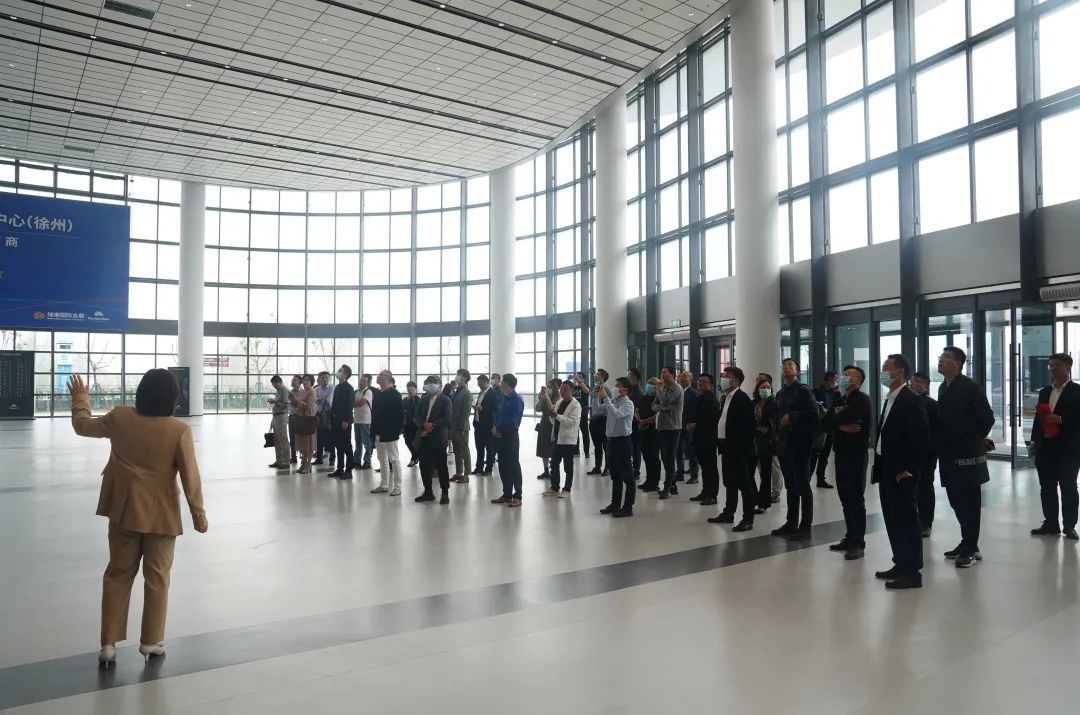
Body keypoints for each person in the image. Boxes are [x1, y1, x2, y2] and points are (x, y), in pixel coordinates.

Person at [68, 370, 207, 667]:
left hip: (123, 511)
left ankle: (108, 644)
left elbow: (82, 426)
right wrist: (198, 514)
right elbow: (190, 476)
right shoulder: (178, 430)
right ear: (173, 399)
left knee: (117, 574)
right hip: (161, 514)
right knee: (157, 577)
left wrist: (80, 400)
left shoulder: (120, 417)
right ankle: (150, 641)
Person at [872, 354, 929, 590]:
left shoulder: (910, 399)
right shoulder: (890, 398)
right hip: (887, 467)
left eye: (887, 368)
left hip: (902, 472)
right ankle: (900, 562)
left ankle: (912, 572)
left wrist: (910, 469)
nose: (883, 372)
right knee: (892, 518)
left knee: (906, 520)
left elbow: (921, 438)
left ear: (900, 372)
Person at [935, 346, 995, 568]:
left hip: (967, 455)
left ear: (958, 364)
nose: (941, 360)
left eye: (946, 357)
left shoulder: (969, 387)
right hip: (948, 453)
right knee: (956, 500)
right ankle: (968, 542)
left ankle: (970, 548)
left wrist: (974, 440)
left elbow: (987, 418)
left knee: (969, 502)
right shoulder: (943, 387)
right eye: (941, 357)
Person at [1029, 353, 1080, 540]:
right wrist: (1034, 440)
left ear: (1068, 367)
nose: (1053, 368)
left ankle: (1069, 526)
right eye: (1051, 365)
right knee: (1047, 486)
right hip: (1046, 446)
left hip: (1069, 448)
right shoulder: (1044, 391)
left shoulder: (1077, 391)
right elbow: (1039, 418)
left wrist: (1061, 419)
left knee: (1068, 486)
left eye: (1057, 365)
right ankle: (1051, 523)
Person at [825, 365, 872, 560]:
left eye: (849, 375)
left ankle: (858, 543)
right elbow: (825, 423)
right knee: (845, 499)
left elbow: (849, 418)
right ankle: (850, 536)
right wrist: (841, 426)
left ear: (859, 380)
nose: (844, 377)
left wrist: (836, 422)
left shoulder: (863, 399)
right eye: (844, 374)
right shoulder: (839, 401)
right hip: (841, 454)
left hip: (856, 455)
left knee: (856, 499)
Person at [772, 359, 820, 540]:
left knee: (802, 485)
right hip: (785, 444)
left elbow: (813, 414)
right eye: (783, 366)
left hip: (800, 444)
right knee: (790, 485)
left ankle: (805, 526)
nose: (785, 368)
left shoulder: (803, 391)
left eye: (790, 365)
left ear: (797, 371)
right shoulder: (781, 393)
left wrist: (792, 417)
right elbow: (777, 417)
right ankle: (791, 522)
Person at [707, 367, 757, 531]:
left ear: (735, 381)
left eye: (726, 376)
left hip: (738, 449)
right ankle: (728, 513)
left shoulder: (742, 399)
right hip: (726, 447)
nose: (722, 379)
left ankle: (748, 519)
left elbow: (748, 427)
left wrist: (738, 445)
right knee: (730, 482)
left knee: (743, 483)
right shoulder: (725, 398)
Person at [595, 377, 636, 517]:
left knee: (627, 476)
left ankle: (628, 507)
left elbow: (616, 414)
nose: (615, 388)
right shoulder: (613, 401)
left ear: (625, 390)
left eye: (618, 386)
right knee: (615, 475)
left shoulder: (628, 404)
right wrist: (595, 397)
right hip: (611, 441)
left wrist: (605, 398)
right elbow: (598, 409)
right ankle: (615, 504)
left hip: (623, 442)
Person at [909, 372, 940, 537]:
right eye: (913, 382)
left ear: (926, 386)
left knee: (925, 487)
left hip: (927, 455)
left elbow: (937, 431)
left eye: (919, 382)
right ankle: (912, 520)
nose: (914, 384)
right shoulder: (906, 403)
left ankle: (926, 522)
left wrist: (931, 450)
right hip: (909, 454)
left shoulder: (932, 405)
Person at [414, 375, 452, 504]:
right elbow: (416, 415)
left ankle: (445, 493)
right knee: (424, 466)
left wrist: (432, 425)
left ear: (440, 385)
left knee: (441, 467)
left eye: (433, 383)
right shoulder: (423, 399)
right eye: (429, 383)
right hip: (423, 437)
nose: (431, 385)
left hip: (438, 438)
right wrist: (423, 424)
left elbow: (447, 418)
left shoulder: (446, 400)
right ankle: (428, 492)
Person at [541, 381, 582, 497]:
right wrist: (552, 416)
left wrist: (557, 416)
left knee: (568, 466)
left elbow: (571, 422)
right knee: (554, 464)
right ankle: (554, 487)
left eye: (565, 389)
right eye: (561, 389)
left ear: (572, 390)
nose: (562, 391)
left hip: (568, 440)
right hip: (557, 438)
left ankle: (567, 489)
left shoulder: (576, 405)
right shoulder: (559, 402)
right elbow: (554, 420)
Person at [688, 373, 721, 507]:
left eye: (704, 381)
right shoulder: (699, 398)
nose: (700, 383)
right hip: (698, 438)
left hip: (708, 439)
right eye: (699, 381)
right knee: (704, 467)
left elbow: (713, 420)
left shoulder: (712, 400)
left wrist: (697, 424)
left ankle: (712, 495)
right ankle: (705, 492)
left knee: (710, 467)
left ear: (711, 385)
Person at [492, 373, 525, 507]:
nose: (500, 384)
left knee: (513, 466)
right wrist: (495, 427)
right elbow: (500, 416)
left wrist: (500, 430)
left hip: (510, 436)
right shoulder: (504, 398)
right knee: (503, 465)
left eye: (502, 382)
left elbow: (514, 422)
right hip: (501, 435)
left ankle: (517, 496)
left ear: (506, 384)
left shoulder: (516, 399)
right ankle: (507, 494)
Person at [370, 370, 405, 496]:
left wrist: (397, 430)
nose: (378, 376)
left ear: (387, 378)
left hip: (390, 431)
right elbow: (375, 413)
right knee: (382, 458)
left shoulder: (394, 394)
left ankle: (398, 486)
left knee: (394, 459)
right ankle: (384, 484)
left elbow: (400, 414)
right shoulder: (378, 393)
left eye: (381, 374)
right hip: (378, 431)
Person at [652, 366, 684, 499]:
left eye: (665, 372)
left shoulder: (676, 388)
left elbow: (666, 401)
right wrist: (663, 407)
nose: (662, 375)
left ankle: (666, 488)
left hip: (672, 427)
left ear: (672, 375)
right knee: (664, 457)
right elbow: (654, 405)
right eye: (661, 372)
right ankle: (673, 485)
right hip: (661, 426)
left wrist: (660, 392)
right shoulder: (663, 388)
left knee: (669, 458)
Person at [753, 377, 780, 512]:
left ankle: (767, 499)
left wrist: (760, 417)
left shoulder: (773, 403)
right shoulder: (753, 403)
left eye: (768, 387)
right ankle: (755, 498)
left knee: (769, 471)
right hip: (754, 440)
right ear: (757, 389)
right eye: (763, 387)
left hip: (768, 441)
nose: (765, 390)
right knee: (754, 471)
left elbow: (772, 422)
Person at [810, 371, 840, 489]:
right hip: (819, 429)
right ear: (829, 379)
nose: (836, 382)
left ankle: (820, 479)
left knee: (825, 456)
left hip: (830, 428)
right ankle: (807, 479)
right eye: (835, 379)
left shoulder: (834, 393)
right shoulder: (816, 391)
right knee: (814, 455)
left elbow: (837, 408)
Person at [635, 375, 662, 491]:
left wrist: (645, 421)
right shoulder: (644, 397)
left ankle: (654, 483)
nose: (650, 385)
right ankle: (648, 480)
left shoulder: (658, 399)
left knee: (653, 457)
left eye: (653, 384)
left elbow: (657, 416)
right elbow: (637, 410)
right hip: (643, 430)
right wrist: (640, 420)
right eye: (649, 383)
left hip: (653, 431)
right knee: (646, 456)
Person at [584, 369, 613, 475]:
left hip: (603, 420)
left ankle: (608, 467)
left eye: (598, 374)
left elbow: (610, 402)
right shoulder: (596, 387)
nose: (595, 375)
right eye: (596, 373)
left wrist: (599, 409)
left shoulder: (606, 388)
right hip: (594, 419)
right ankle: (597, 467)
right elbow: (592, 399)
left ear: (603, 377)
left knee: (605, 445)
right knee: (597, 446)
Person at [329, 365, 355, 479]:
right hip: (336, 420)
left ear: (345, 374)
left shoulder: (349, 388)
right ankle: (340, 469)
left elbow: (349, 406)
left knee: (346, 446)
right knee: (339, 446)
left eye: (341, 371)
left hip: (344, 422)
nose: (338, 372)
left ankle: (349, 470)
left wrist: (346, 421)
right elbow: (335, 405)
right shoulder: (338, 387)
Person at [449, 368, 473, 484]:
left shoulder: (467, 393)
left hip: (461, 427)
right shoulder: (456, 391)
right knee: (457, 450)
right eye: (457, 374)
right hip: (453, 426)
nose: (457, 376)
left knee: (464, 450)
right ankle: (459, 472)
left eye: (460, 375)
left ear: (465, 378)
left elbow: (466, 412)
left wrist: (462, 427)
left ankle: (466, 474)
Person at [473, 374, 501, 475]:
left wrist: (482, 408)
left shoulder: (493, 394)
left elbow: (496, 409)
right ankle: (479, 467)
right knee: (479, 447)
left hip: (488, 425)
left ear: (486, 382)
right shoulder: (481, 393)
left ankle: (488, 469)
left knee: (489, 448)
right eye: (478, 383)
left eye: (480, 383)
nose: (479, 385)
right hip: (478, 424)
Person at [290, 374, 317, 474]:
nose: (305, 382)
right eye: (304, 380)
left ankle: (308, 464)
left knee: (309, 444)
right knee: (302, 443)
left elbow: (308, 406)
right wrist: (292, 400)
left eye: (307, 380)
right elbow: (297, 405)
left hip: (308, 420)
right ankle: (303, 463)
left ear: (311, 382)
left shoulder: (312, 392)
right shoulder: (302, 391)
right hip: (300, 419)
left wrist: (297, 401)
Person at [535, 378, 560, 481]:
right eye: (547, 387)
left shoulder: (558, 398)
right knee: (543, 447)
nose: (548, 389)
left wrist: (547, 398)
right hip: (544, 423)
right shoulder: (544, 397)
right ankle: (546, 470)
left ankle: (553, 469)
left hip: (553, 423)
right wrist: (541, 399)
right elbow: (537, 409)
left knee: (553, 447)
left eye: (550, 387)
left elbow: (553, 410)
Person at [677, 370, 699, 484]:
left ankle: (694, 475)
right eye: (681, 376)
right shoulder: (678, 392)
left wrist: (693, 423)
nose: (682, 378)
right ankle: (679, 472)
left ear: (691, 379)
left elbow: (695, 411)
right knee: (678, 450)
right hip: (678, 425)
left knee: (691, 451)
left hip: (688, 426)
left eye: (685, 376)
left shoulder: (694, 393)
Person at [267, 375, 290, 470]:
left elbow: (286, 406)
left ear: (280, 382)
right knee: (277, 440)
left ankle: (285, 461)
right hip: (276, 416)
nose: (275, 387)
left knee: (283, 439)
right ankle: (279, 460)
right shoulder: (279, 391)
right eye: (273, 385)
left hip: (282, 416)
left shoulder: (285, 391)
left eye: (275, 385)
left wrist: (275, 402)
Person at [352, 374, 374, 470]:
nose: (362, 382)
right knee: (358, 441)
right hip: (356, 419)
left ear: (368, 383)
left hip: (365, 420)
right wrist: (354, 403)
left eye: (364, 381)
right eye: (361, 380)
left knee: (366, 442)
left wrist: (353, 404)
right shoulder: (356, 392)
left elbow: (361, 403)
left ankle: (367, 461)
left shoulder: (368, 392)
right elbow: (353, 402)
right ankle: (357, 460)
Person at [313, 371, 335, 467]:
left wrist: (320, 399)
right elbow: (314, 400)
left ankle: (332, 459)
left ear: (329, 378)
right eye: (322, 377)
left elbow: (329, 401)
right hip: (318, 414)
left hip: (328, 414)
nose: (325, 379)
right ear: (320, 379)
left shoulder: (332, 388)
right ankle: (319, 458)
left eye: (326, 377)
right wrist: (321, 398)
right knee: (319, 437)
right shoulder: (317, 388)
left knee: (330, 437)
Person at [402, 381, 421, 468]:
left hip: (414, 425)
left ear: (415, 389)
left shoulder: (417, 399)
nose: (409, 389)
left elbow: (418, 412)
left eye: (411, 387)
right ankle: (416, 456)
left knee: (413, 441)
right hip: (406, 424)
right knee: (407, 441)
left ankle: (414, 457)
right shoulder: (405, 399)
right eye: (408, 387)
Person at [573, 371, 591, 459]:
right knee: (575, 432)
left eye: (580, 377)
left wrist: (579, 381)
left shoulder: (586, 386)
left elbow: (586, 391)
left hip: (583, 413)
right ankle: (576, 451)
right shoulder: (574, 387)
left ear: (584, 379)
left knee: (585, 433)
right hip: (574, 413)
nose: (578, 379)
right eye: (577, 377)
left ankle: (586, 452)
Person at [287, 374, 302, 465]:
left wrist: (294, 400)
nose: (292, 381)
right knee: (292, 438)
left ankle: (303, 456)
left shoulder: (302, 392)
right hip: (291, 416)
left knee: (301, 438)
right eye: (292, 380)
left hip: (299, 418)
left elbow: (299, 404)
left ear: (300, 383)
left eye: (295, 380)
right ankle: (293, 457)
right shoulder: (289, 392)